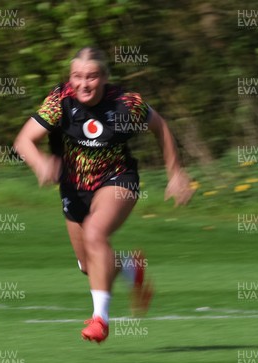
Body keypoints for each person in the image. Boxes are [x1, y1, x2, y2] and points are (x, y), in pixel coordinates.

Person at [13, 47, 194, 344]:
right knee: (88, 264)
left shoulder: (126, 105)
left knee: (95, 234)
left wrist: (175, 173)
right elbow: (24, 140)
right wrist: (40, 162)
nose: (84, 84)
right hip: (74, 187)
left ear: (105, 78)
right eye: (77, 76)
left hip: (118, 180)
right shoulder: (60, 101)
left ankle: (100, 320)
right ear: (70, 78)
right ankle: (129, 268)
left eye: (92, 76)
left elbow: (160, 127)